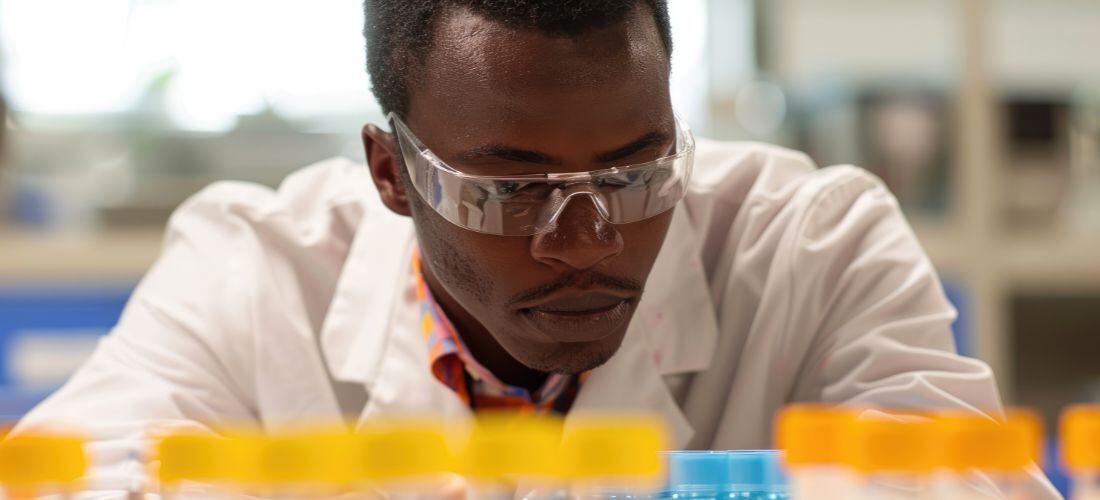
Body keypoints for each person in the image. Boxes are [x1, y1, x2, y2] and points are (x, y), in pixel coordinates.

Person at [16, 0, 1057, 496]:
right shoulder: (252, 268)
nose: (582, 240)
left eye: (633, 171)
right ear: (390, 170)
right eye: (509, 190)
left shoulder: (811, 243)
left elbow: (967, 485)